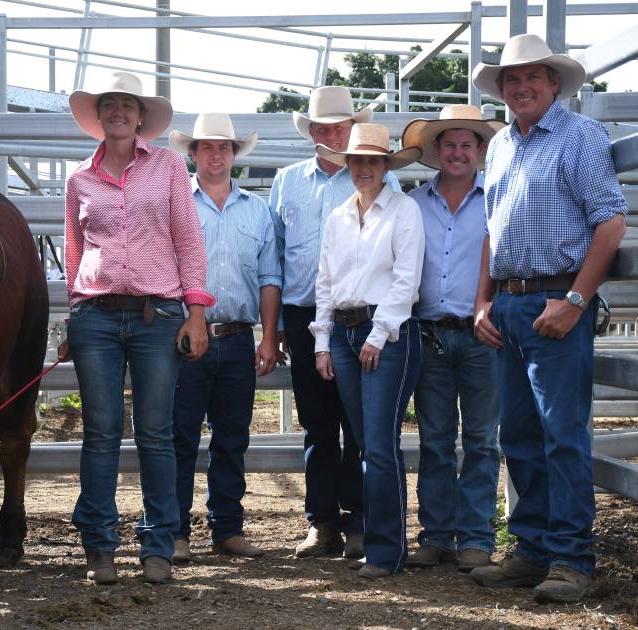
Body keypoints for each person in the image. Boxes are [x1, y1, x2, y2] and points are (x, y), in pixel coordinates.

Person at [467, 34, 627, 603]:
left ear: (554, 83)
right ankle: (531, 549)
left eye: (533, 76)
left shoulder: (580, 136)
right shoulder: (502, 145)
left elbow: (610, 224)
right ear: (503, 89)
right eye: (512, 79)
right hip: (511, 304)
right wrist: (483, 302)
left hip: (557, 300)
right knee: (519, 433)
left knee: (561, 433)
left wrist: (577, 300)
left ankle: (570, 557)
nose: (522, 86)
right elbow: (491, 231)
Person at [60, 71, 214, 585]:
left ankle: (158, 545)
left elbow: (188, 240)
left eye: (127, 104)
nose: (119, 112)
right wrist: (74, 307)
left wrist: (196, 312)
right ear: (99, 115)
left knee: (155, 432)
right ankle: (100, 546)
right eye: (110, 105)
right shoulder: (79, 177)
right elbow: (74, 250)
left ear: (140, 115)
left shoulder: (169, 165)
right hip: (96, 316)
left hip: (158, 314)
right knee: (100, 431)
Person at [270, 85, 401, 559]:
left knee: (360, 421)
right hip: (306, 312)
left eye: (338, 127)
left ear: (351, 130)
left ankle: (359, 520)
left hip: (364, 315)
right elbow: (276, 253)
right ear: (311, 133)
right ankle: (322, 521)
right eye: (321, 127)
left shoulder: (376, 183)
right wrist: (279, 320)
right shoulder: (287, 181)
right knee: (318, 421)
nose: (329, 133)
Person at [166, 113, 282, 563]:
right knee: (180, 437)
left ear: (235, 155)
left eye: (225, 147)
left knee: (232, 438)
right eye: (207, 147)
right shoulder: (178, 205)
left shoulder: (257, 209)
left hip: (236, 337)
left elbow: (270, 278)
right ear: (192, 154)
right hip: (184, 337)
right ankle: (174, 529)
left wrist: (268, 337)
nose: (216, 155)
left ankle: (227, 528)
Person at [311, 123, 423, 578]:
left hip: (387, 332)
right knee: (365, 443)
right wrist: (322, 341)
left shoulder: (404, 210)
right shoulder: (338, 215)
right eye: (357, 161)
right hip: (343, 331)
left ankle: (384, 550)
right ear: (348, 165)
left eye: (373, 161)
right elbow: (325, 281)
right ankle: (380, 544)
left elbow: (406, 279)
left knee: (378, 445)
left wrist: (378, 335)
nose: (363, 169)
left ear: (385, 166)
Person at [400, 104, 506, 572]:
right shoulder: (414, 204)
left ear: (481, 152)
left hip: (483, 333)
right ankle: (437, 535)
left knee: (482, 440)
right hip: (430, 335)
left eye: (468, 144)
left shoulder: (498, 199)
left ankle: (477, 537)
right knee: (436, 440)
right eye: (450, 144)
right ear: (436, 150)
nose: (458, 152)